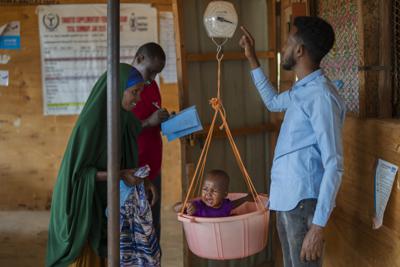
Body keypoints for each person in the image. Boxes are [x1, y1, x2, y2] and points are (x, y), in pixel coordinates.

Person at [46, 42, 166, 267]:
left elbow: (125, 160)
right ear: (117, 89)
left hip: (104, 203)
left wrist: (142, 180)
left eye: (140, 92)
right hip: (81, 209)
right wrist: (120, 175)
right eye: (134, 92)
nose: (138, 98)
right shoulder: (91, 126)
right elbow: (79, 176)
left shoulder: (125, 119)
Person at [239, 17, 346, 267]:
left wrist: (318, 226)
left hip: (303, 203)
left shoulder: (321, 96)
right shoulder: (303, 90)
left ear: (299, 50)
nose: (283, 49)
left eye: (288, 43)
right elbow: (273, 102)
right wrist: (251, 57)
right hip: (287, 200)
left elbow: (334, 164)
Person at [131, 78, 169, 242]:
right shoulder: (124, 85)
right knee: (134, 228)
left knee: (152, 225)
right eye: (152, 70)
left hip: (153, 167)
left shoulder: (152, 84)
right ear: (140, 59)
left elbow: (153, 117)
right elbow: (119, 128)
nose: (153, 76)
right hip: (131, 169)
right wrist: (148, 122)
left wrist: (163, 120)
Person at [173, 169, 253, 217]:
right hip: (203, 238)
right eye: (205, 189)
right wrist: (186, 205)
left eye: (214, 191)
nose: (208, 194)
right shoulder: (197, 206)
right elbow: (175, 208)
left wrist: (246, 198)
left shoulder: (225, 205)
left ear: (224, 194)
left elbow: (235, 203)